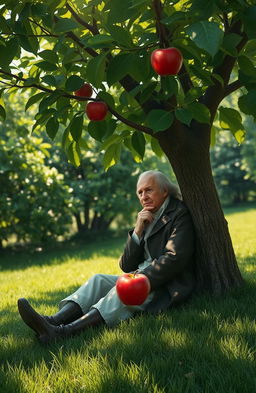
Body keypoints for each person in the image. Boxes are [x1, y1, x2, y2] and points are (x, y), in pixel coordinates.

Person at [18, 170, 196, 344]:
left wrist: (139, 279)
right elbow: (126, 265)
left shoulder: (178, 214)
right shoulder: (147, 216)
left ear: (165, 190)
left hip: (164, 284)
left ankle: (63, 333)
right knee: (98, 280)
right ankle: (52, 321)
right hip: (140, 275)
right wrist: (138, 230)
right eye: (140, 192)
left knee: (120, 292)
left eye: (149, 190)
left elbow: (174, 258)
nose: (144, 196)